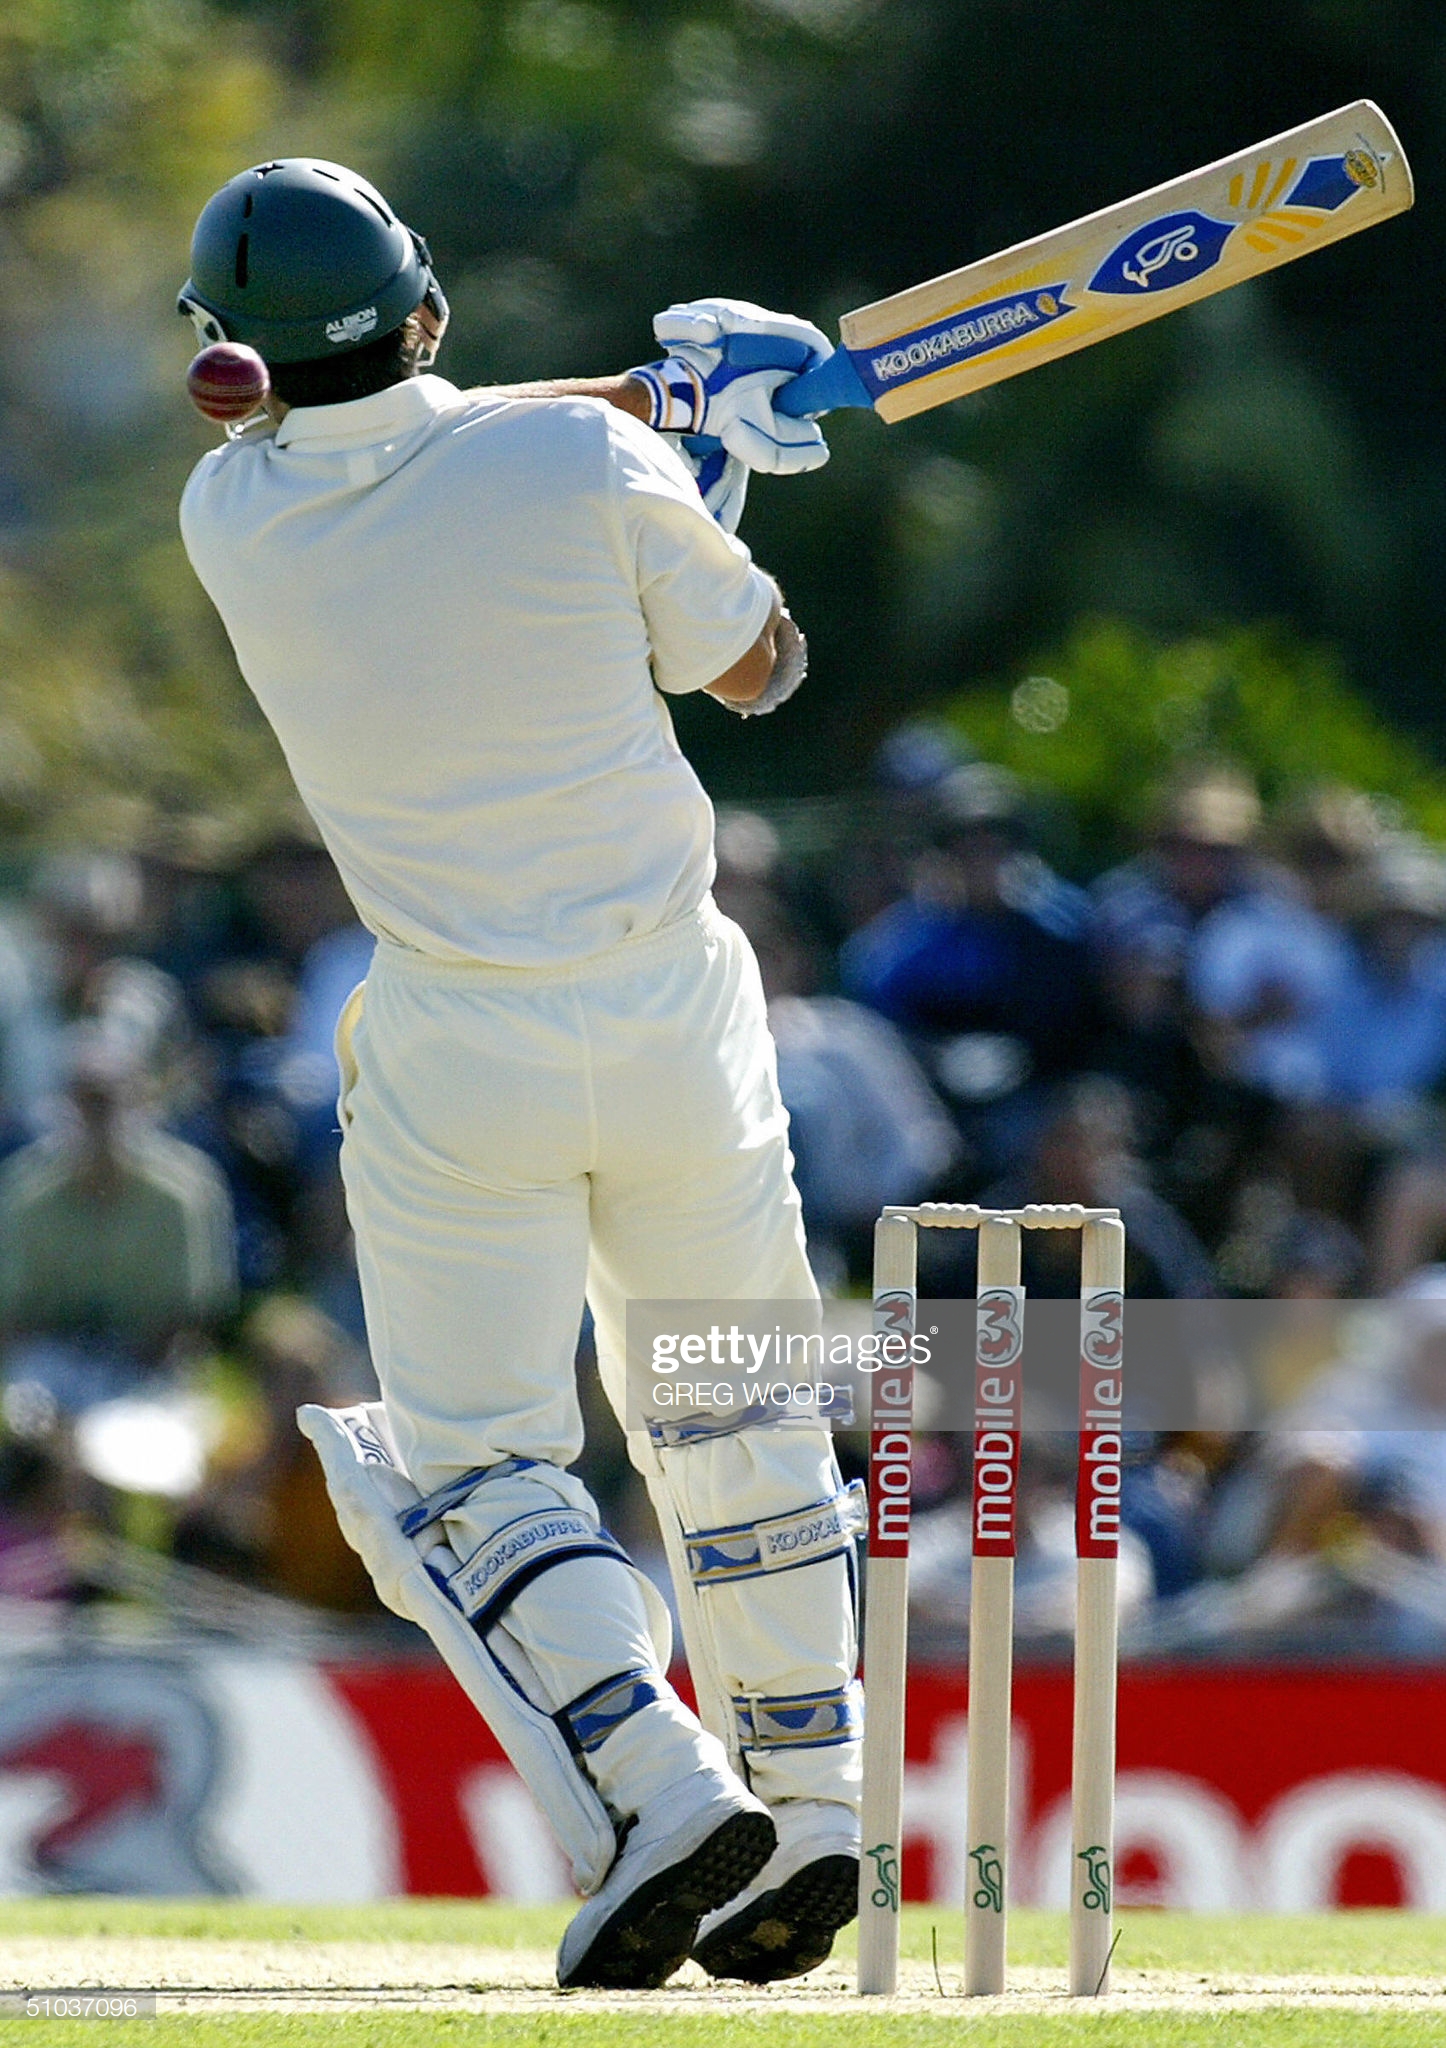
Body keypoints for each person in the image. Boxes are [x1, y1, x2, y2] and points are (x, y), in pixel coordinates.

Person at [175, 158, 859, 1989]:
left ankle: (654, 1772)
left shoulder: (228, 516)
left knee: (476, 1467)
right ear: (430, 301)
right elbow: (759, 669)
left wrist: (656, 419)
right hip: (671, 1014)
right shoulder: (584, 468)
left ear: (224, 360)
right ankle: (816, 1814)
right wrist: (697, 449)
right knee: (735, 1408)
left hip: (454, 1035)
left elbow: (411, 439)